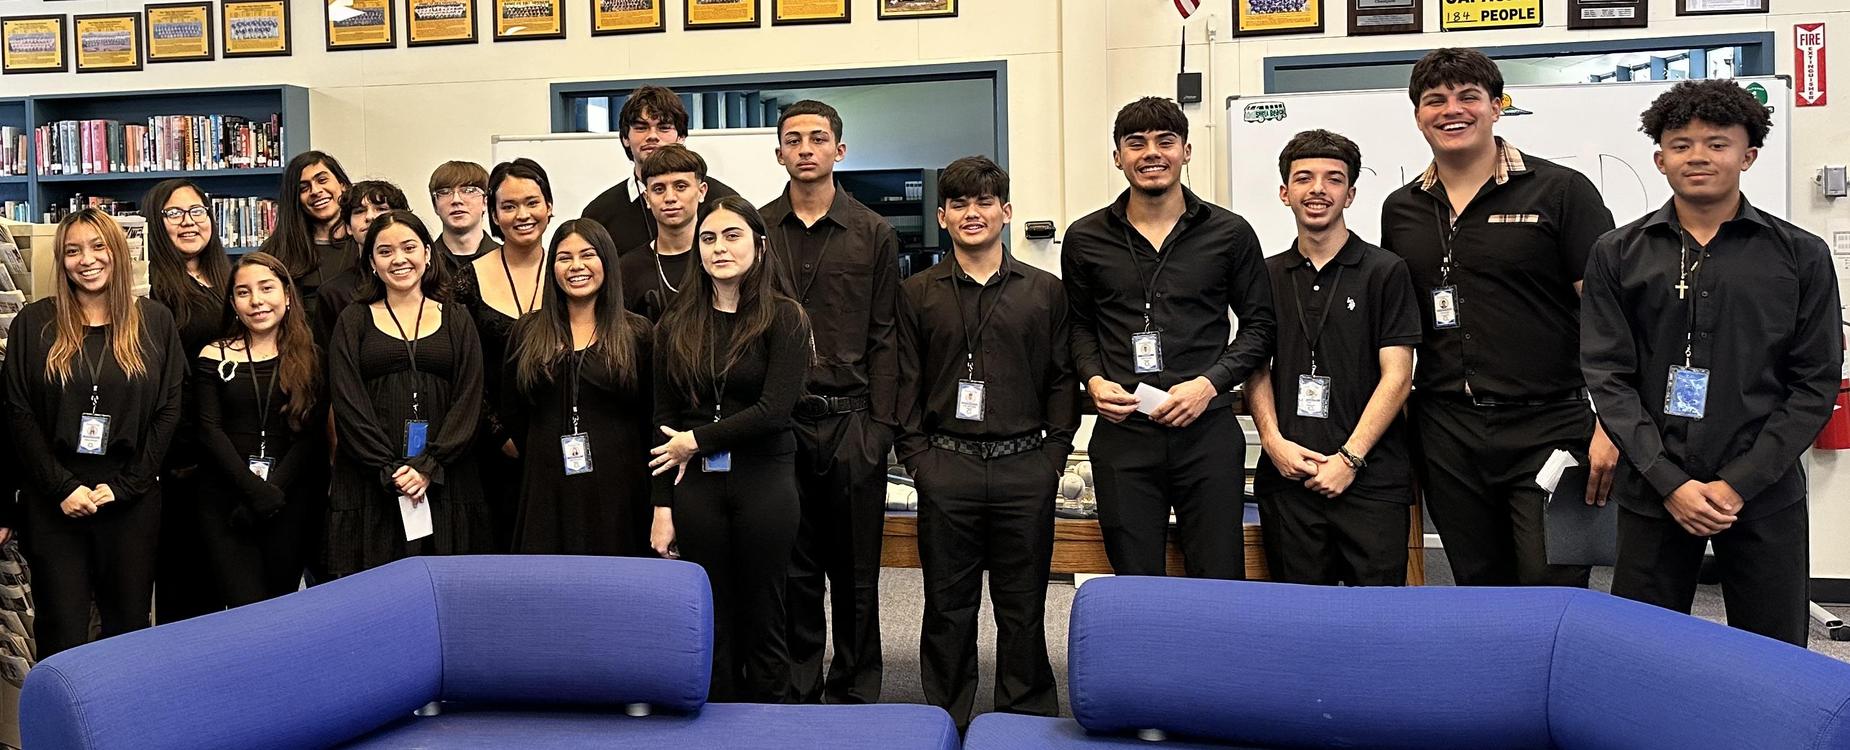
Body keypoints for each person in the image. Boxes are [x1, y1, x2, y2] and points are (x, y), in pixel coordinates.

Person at [1582, 79, 1841, 646]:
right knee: (1642, 648)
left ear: (1748, 156)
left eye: (1717, 143)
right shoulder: (1617, 253)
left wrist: (1738, 484)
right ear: (1660, 159)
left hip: (1764, 489)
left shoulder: (1800, 255)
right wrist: (1669, 481)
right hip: (1654, 486)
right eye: (1681, 144)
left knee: (1772, 650)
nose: (1697, 156)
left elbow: (1814, 383)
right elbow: (1608, 376)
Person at [1379, 48, 1617, 587]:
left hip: (1549, 425)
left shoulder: (1562, 191)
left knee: (1551, 587)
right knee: (1477, 587)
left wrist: (1614, 421)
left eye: (1468, 96)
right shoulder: (1401, 208)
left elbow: (1611, 315)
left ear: (1497, 106)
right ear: (1417, 115)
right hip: (1447, 431)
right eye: (1435, 100)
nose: (1451, 110)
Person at [1062, 96, 1276, 580]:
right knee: (1134, 579)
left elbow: (1260, 326)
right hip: (1123, 434)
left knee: (1218, 576)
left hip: (1206, 431)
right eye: (1136, 143)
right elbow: (1078, 326)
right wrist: (1093, 379)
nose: (1151, 153)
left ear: (1186, 151)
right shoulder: (1085, 238)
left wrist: (1210, 384)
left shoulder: (1230, 233)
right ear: (1118, 157)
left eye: (1165, 141)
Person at [895, 156, 1076, 729]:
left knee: (1023, 606)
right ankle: (944, 720)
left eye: (984, 202)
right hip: (947, 467)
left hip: (1025, 467)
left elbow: (1061, 380)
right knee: (947, 607)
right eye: (959, 204)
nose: (972, 213)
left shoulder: (1045, 291)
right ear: (942, 217)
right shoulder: (915, 293)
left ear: (1006, 211)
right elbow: (905, 382)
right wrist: (919, 462)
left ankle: (1024, 719)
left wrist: (1053, 458)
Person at [760, 99, 899, 704]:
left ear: (839, 150)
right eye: (794, 140)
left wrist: (880, 429)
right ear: (780, 154)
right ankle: (798, 687)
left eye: (818, 138)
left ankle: (855, 690)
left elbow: (887, 335)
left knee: (855, 570)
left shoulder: (874, 232)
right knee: (791, 566)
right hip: (779, 424)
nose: (806, 149)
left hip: (852, 423)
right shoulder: (756, 229)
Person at [1, 209, 185, 658]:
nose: (87, 260)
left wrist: (126, 487)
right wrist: (61, 487)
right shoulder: (34, 324)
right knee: (61, 630)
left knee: (128, 628)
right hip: (54, 500)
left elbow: (168, 410)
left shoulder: (154, 321)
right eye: (73, 250)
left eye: (98, 246)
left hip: (131, 499)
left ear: (118, 252)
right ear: (61, 260)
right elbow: (18, 412)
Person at [648, 195, 809, 702]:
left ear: (759, 245)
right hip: (695, 486)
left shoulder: (785, 317)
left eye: (732, 235)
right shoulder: (676, 323)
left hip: (765, 480)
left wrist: (697, 441)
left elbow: (775, 410)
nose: (719, 248)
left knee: (765, 612)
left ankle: (770, 723)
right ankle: (715, 720)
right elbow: (662, 424)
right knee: (709, 613)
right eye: (709, 238)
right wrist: (661, 507)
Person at [1248, 130, 1421, 586]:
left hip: (1371, 480)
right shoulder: (1265, 275)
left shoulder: (1386, 270)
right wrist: (1273, 443)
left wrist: (1350, 459)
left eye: (1334, 179)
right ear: (1285, 193)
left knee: (1376, 616)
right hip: (1289, 478)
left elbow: (1398, 377)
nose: (1318, 189)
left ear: (1350, 194)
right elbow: (1255, 368)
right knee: (1300, 616)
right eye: (1304, 178)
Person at [324, 210, 489, 578]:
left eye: (409, 247)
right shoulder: (353, 319)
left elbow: (469, 397)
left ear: (427, 254)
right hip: (372, 481)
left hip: (447, 477)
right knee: (375, 589)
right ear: (371, 262)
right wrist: (391, 469)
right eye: (385, 251)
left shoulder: (457, 318)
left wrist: (429, 465)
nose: (399, 259)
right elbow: (347, 402)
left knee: (446, 583)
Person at [503, 219, 653, 555]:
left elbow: (651, 414)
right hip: (546, 486)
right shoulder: (527, 331)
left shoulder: (637, 333)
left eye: (587, 255)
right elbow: (511, 408)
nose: (576, 266)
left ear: (607, 261)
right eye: (564, 257)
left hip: (620, 488)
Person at [194, 252, 327, 606]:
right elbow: (209, 431)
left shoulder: (312, 357)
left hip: (289, 501)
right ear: (232, 303)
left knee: (280, 607)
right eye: (243, 292)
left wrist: (271, 493)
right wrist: (253, 491)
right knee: (243, 608)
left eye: (266, 288)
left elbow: (310, 437)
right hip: (226, 502)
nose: (256, 300)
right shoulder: (213, 355)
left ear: (287, 295)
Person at [143, 178, 233, 623]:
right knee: (185, 580)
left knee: (224, 573)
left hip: (229, 441)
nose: (189, 222)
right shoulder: (152, 287)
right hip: (182, 450)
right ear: (155, 224)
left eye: (197, 211)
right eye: (174, 214)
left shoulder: (228, 277)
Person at [455, 158, 554, 551]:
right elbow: (464, 372)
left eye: (532, 202)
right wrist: (499, 435)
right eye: (509, 206)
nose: (522, 215)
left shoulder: (571, 271)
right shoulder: (467, 280)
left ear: (549, 206)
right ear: (494, 215)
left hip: (563, 442)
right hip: (491, 450)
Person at [582, 85, 740, 254]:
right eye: (641, 128)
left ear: (681, 137)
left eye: (664, 128)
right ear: (625, 138)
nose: (652, 136)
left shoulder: (724, 201)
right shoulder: (599, 213)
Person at [260, 151, 353, 346]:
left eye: (322, 180)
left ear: (342, 185)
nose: (315, 191)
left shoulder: (367, 242)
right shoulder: (276, 250)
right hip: (302, 353)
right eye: (304, 188)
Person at [618, 144, 708, 323]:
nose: (670, 198)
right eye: (659, 189)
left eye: (680, 186)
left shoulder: (720, 257)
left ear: (701, 191)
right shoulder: (627, 269)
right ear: (647, 198)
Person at [318, 180, 411, 338]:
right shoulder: (333, 293)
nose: (369, 217)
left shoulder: (423, 281)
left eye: (381, 209)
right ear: (348, 227)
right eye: (359, 211)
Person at [428, 160, 501, 278]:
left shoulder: (505, 261)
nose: (456, 200)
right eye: (445, 192)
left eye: (468, 191)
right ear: (435, 205)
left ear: (485, 202)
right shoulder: (425, 262)